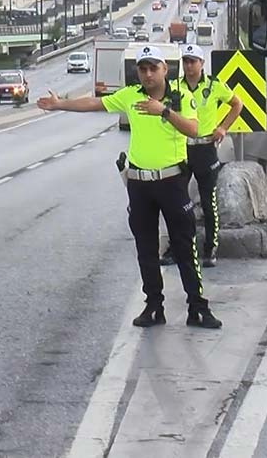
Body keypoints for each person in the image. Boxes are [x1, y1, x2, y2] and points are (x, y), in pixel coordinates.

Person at [37, 44, 222, 329]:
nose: (148, 74)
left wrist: (164, 111)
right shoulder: (131, 95)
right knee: (146, 248)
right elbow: (96, 104)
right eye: (142, 69)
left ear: (164, 69)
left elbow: (193, 129)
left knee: (185, 247)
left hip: (172, 182)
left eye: (153, 68)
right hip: (139, 184)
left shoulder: (180, 96)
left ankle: (197, 307)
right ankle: (153, 306)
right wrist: (60, 104)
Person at [159, 44, 243, 268]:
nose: (188, 66)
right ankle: (177, 248)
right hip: (182, 148)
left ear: (201, 63)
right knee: (176, 201)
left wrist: (223, 127)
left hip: (205, 148)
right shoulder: (175, 86)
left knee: (208, 200)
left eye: (192, 61)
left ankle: (210, 248)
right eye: (185, 61)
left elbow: (237, 104)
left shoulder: (213, 85)